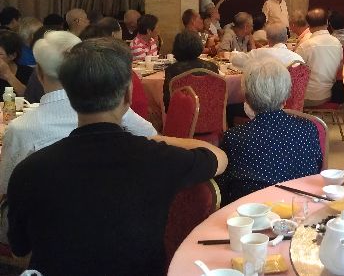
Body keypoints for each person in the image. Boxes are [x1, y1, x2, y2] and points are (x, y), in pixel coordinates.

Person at [6, 37, 227, 276]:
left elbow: (19, 249)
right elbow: (219, 157)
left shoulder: (29, 171)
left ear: (69, 94)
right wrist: (158, 141)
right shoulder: (158, 160)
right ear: (127, 95)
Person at [0, 31, 157, 241]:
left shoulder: (21, 128)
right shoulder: (111, 109)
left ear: (39, 73)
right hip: (113, 219)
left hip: (45, 231)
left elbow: (6, 186)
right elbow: (150, 136)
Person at [216, 59, 321, 205]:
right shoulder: (308, 129)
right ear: (286, 96)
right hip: (300, 208)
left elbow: (223, 186)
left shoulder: (234, 137)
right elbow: (317, 170)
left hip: (252, 212)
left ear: (247, 99)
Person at [296, 8, 343, 106]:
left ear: (308, 25)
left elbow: (294, 73)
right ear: (327, 22)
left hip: (308, 96)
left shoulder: (305, 46)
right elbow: (340, 68)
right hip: (329, 93)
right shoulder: (337, 43)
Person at [163, 31, 218, 111]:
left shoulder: (172, 70)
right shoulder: (212, 67)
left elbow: (168, 104)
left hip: (182, 115)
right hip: (211, 114)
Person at [230, 23, 303, 69]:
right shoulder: (298, 59)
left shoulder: (260, 53)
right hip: (291, 90)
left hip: (266, 90)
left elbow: (236, 60)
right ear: (286, 38)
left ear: (268, 38)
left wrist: (233, 55)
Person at [0, 31, 32, 96]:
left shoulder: (27, 72)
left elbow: (29, 97)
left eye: (0, 54)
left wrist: (8, 75)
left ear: (12, 56)